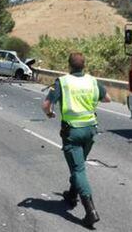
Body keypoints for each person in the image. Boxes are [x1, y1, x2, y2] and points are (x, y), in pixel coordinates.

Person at [41, 52, 111, 228]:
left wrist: (50, 114)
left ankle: (91, 212)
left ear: (69, 66)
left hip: (73, 132)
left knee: (78, 169)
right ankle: (72, 195)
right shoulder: (92, 81)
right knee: (78, 165)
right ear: (84, 65)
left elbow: (46, 105)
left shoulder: (63, 82)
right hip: (90, 131)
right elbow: (108, 99)